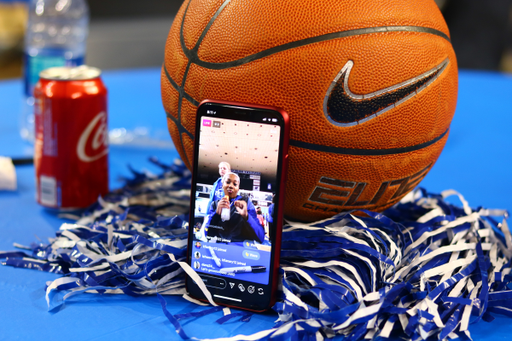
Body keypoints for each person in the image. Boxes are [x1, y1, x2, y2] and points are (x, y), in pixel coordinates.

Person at [204, 172, 265, 243]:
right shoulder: (214, 204)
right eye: (228, 182)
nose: (231, 186)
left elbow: (261, 236)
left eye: (235, 184)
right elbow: (207, 234)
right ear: (222, 185)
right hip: (220, 248)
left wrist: (246, 216)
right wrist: (216, 215)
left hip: (240, 249)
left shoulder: (246, 202)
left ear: (238, 188)